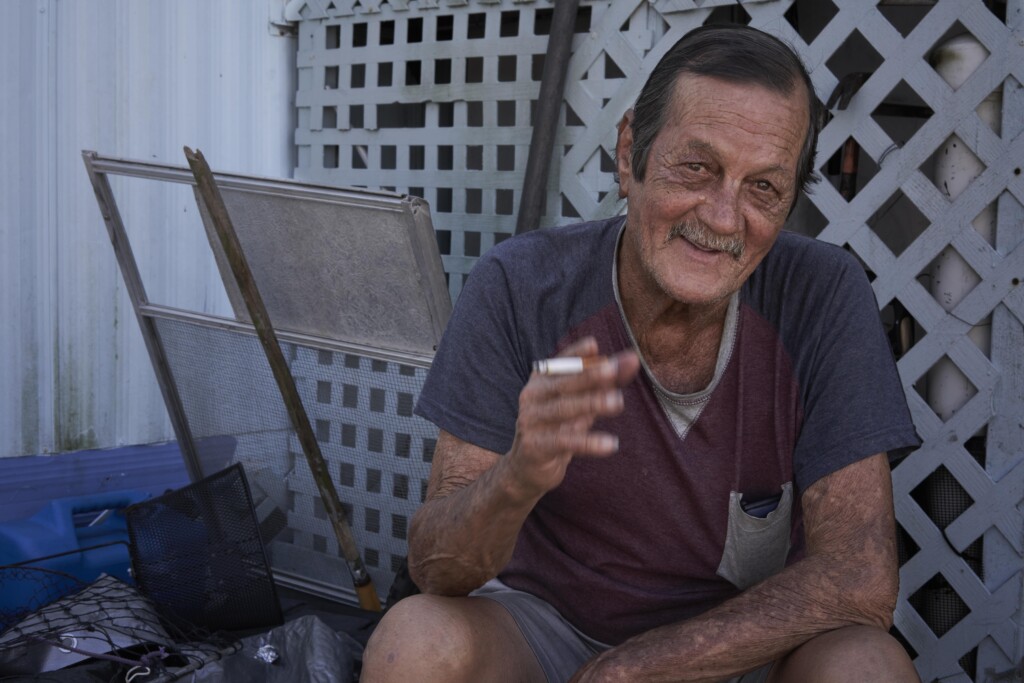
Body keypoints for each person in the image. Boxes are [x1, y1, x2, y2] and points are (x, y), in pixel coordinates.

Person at [362, 24, 921, 683]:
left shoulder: (823, 293)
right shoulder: (521, 284)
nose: (721, 217)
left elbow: (858, 576)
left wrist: (630, 670)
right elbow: (434, 567)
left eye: (763, 187)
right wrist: (518, 476)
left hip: (741, 648)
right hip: (548, 630)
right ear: (630, 154)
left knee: (866, 667)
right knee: (415, 641)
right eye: (697, 167)